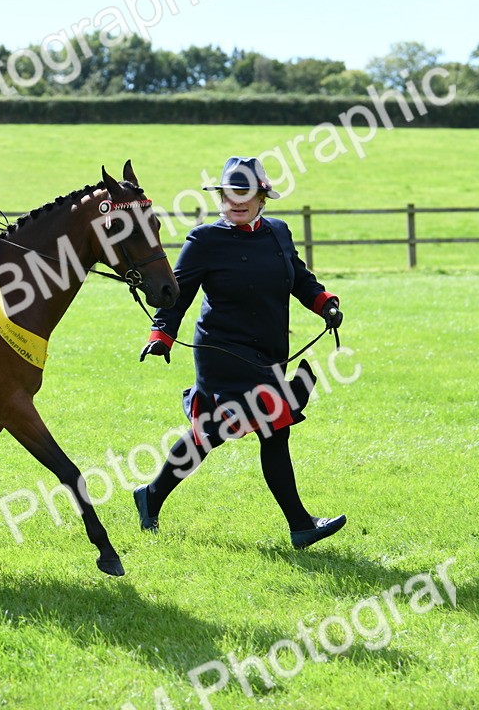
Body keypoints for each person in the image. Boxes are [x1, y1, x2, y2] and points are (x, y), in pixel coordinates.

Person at [134, 156, 347, 549]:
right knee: (273, 429)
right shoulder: (204, 239)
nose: (236, 200)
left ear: (262, 197)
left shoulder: (279, 233)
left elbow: (298, 277)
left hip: (267, 349)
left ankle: (150, 495)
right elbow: (177, 294)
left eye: (245, 193)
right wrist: (161, 334)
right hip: (222, 351)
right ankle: (301, 525)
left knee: (208, 435)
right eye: (229, 193)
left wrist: (323, 303)